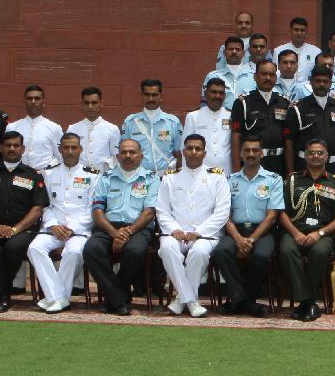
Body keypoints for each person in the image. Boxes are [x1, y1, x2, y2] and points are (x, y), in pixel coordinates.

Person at [0, 131, 49, 312]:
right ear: (1, 148)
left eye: (16, 145)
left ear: (23, 149)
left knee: (13, 247)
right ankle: (2, 294)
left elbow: (37, 208)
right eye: (8, 145)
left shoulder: (33, 175)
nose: (12, 149)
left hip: (22, 229)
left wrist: (15, 229)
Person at [156, 134, 231, 319]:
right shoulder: (170, 178)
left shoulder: (217, 177)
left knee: (199, 252)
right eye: (190, 148)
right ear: (183, 152)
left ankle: (180, 300)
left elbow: (222, 212)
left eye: (198, 149)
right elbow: (162, 210)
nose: (194, 152)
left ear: (204, 153)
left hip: (206, 234)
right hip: (176, 233)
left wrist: (198, 232)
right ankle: (191, 301)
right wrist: (174, 229)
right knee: (166, 249)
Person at [82, 139, 159, 316]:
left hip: (138, 227)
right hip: (109, 226)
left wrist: (127, 232)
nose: (128, 156)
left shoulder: (151, 178)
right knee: (91, 250)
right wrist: (114, 233)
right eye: (124, 152)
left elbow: (149, 212)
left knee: (134, 251)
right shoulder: (106, 177)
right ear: (117, 156)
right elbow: (97, 211)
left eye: (132, 152)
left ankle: (113, 299)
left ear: (141, 156)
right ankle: (120, 299)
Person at [277, 138, 335, 322]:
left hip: (323, 234)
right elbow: (281, 213)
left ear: (326, 157)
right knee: (286, 249)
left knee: (319, 252)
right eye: (311, 153)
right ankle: (309, 302)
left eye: (320, 153)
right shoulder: (292, 180)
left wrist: (319, 233)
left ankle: (305, 303)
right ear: (305, 156)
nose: (315, 156)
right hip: (296, 231)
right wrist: (296, 233)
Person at [26, 132, 98, 314]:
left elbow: (93, 208)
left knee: (73, 252)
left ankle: (55, 297)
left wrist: (72, 228)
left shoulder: (93, 175)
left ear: (81, 149)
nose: (70, 151)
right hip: (53, 228)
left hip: (79, 230)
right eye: (66, 147)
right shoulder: (49, 173)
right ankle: (60, 297)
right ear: (60, 150)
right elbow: (45, 204)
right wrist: (52, 225)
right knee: (34, 248)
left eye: (74, 147)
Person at [212, 136, 284, 316]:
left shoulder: (273, 179)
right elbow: (224, 215)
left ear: (262, 154)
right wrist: (238, 239)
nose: (251, 154)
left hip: (263, 231)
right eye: (247, 150)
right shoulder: (228, 180)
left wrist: (250, 240)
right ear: (241, 154)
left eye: (255, 150)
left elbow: (272, 216)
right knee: (221, 251)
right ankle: (245, 301)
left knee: (261, 255)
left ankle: (240, 301)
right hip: (234, 230)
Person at [284, 65, 335, 177]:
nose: (322, 84)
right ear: (311, 82)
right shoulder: (298, 108)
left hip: (333, 168)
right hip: (305, 168)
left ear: (331, 84)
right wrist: (291, 174)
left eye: (325, 81)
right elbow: (289, 143)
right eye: (318, 81)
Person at [229, 60, 289, 175]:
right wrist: (236, 168)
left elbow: (288, 137)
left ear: (276, 78)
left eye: (271, 74)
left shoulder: (284, 102)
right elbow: (236, 136)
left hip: (279, 162)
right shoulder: (243, 103)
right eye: (264, 74)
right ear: (255, 76)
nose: (268, 78)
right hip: (252, 161)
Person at [121, 79, 183, 176]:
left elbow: (178, 153)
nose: (150, 99)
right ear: (142, 96)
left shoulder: (173, 122)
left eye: (154, 95)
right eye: (147, 95)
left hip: (166, 177)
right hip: (139, 178)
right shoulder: (130, 122)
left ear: (161, 96)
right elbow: (123, 153)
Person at [184, 77, 232, 174]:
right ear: (206, 94)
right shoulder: (193, 117)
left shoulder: (231, 116)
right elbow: (185, 149)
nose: (217, 96)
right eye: (213, 92)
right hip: (200, 174)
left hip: (226, 172)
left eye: (221, 93)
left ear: (224, 96)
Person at [9, 85, 62, 171]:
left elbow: (60, 156)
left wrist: (47, 170)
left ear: (43, 102)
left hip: (45, 175)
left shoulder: (54, 128)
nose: (33, 102)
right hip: (18, 174)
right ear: (24, 102)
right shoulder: (12, 127)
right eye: (29, 98)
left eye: (37, 98)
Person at [67, 86, 121, 172]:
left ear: (101, 103)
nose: (90, 107)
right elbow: (68, 154)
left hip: (103, 175)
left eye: (94, 103)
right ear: (82, 104)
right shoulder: (73, 129)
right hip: (78, 175)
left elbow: (117, 155)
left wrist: (106, 166)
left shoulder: (112, 129)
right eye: (86, 103)